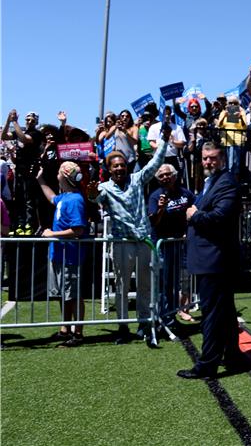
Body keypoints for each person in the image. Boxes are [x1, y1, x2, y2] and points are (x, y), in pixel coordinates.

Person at [88, 124, 171, 344]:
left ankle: (143, 324)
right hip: (122, 243)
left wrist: (163, 140)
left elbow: (155, 163)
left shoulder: (137, 179)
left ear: (127, 167)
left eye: (123, 165)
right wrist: (91, 192)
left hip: (143, 241)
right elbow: (94, 199)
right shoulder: (105, 188)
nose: (119, 169)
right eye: (115, 166)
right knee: (122, 286)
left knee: (145, 285)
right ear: (109, 169)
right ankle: (123, 327)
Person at [177, 140, 249, 379]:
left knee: (211, 313)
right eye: (205, 158)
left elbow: (220, 217)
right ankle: (234, 356)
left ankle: (207, 364)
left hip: (216, 259)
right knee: (225, 311)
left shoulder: (227, 183)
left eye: (213, 158)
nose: (208, 161)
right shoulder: (211, 182)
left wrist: (195, 215)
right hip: (210, 258)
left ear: (222, 159)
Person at [37, 161, 88, 347]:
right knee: (64, 294)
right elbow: (51, 198)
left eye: (59, 172)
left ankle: (78, 333)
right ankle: (65, 328)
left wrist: (52, 234)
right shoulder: (65, 197)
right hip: (59, 254)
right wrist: (40, 180)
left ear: (64, 176)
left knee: (73, 295)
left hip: (70, 256)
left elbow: (77, 230)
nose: (57, 175)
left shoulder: (75, 200)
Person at [148, 163, 196, 324]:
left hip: (180, 244)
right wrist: (161, 208)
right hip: (162, 245)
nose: (164, 177)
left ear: (175, 176)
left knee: (178, 281)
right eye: (160, 176)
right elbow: (153, 221)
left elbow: (195, 211)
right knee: (164, 283)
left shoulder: (186, 194)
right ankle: (163, 317)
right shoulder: (155, 196)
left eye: (167, 174)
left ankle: (175, 313)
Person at [2, 109, 43, 235]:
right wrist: (8, 120)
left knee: (29, 199)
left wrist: (15, 122)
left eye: (32, 119)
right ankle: (19, 224)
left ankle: (29, 225)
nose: (29, 121)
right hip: (19, 169)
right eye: (27, 119)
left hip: (30, 170)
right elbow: (4, 136)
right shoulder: (20, 130)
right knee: (18, 198)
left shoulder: (36, 133)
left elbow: (24, 139)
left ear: (36, 121)